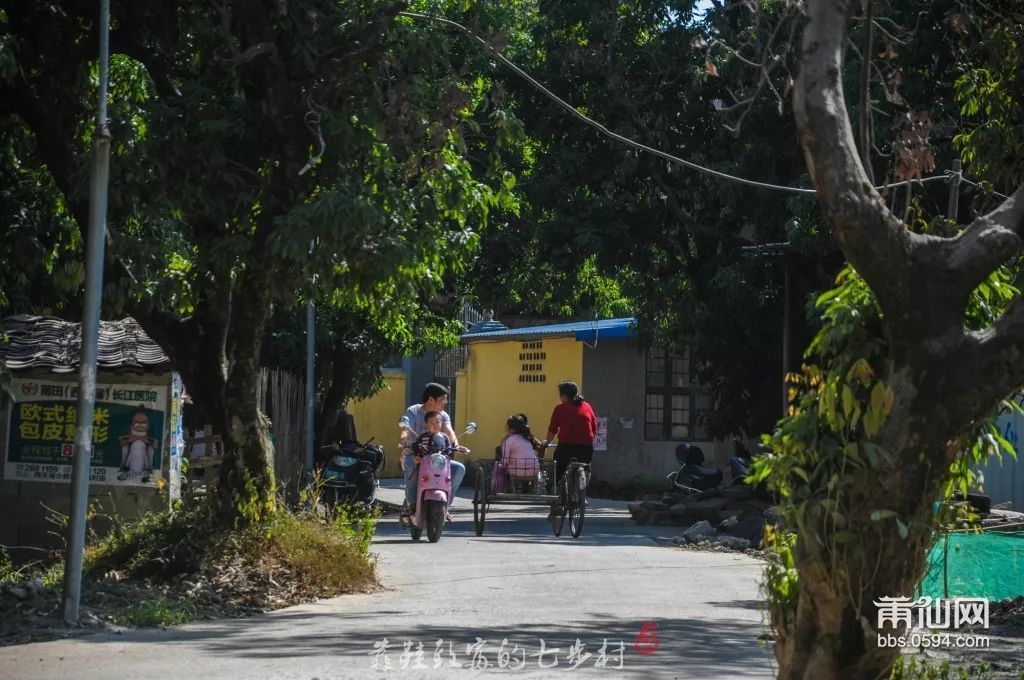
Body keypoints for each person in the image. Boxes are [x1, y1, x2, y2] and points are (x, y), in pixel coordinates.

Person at [400, 383, 466, 517]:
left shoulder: (443, 415)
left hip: (437, 457)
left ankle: (446, 505)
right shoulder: (413, 411)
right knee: (411, 467)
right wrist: (403, 440)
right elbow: (406, 430)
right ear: (431, 400)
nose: (446, 402)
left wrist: (456, 443)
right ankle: (411, 504)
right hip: (416, 454)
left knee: (459, 469)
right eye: (443, 399)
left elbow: (449, 431)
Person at [542, 381, 597, 519]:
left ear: (564, 395)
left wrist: (547, 442)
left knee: (558, 472)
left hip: (566, 446)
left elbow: (553, 429)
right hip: (586, 447)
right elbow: (594, 427)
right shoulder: (587, 406)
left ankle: (558, 503)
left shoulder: (560, 408)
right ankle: (581, 494)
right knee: (586, 467)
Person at [500, 414, 540, 493]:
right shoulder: (528, 438)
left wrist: (502, 467)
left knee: (504, 468)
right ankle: (533, 489)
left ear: (511, 429)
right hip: (534, 470)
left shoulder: (509, 440)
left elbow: (505, 460)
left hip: (515, 471)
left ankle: (510, 490)